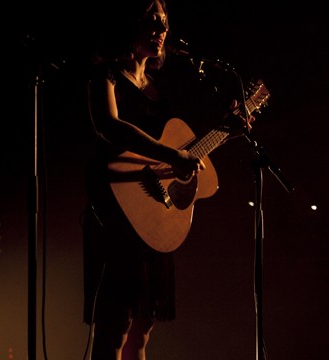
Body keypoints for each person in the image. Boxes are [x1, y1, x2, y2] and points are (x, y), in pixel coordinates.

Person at [79, 1, 254, 359]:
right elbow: (109, 126)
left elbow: (182, 153)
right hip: (118, 211)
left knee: (142, 330)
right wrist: (172, 155)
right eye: (152, 22)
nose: (160, 31)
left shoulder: (157, 88)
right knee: (115, 327)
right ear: (130, 26)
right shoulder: (106, 75)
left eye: (164, 24)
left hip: (152, 217)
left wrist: (227, 132)